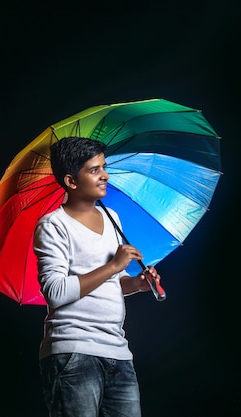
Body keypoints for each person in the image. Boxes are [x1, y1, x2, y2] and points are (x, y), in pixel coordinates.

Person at [33, 136, 161, 417]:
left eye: (103, 167)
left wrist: (136, 284)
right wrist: (114, 266)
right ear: (71, 181)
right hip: (73, 352)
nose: (105, 175)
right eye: (94, 170)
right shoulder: (53, 225)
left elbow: (113, 282)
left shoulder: (112, 217)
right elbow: (55, 292)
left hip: (117, 351)